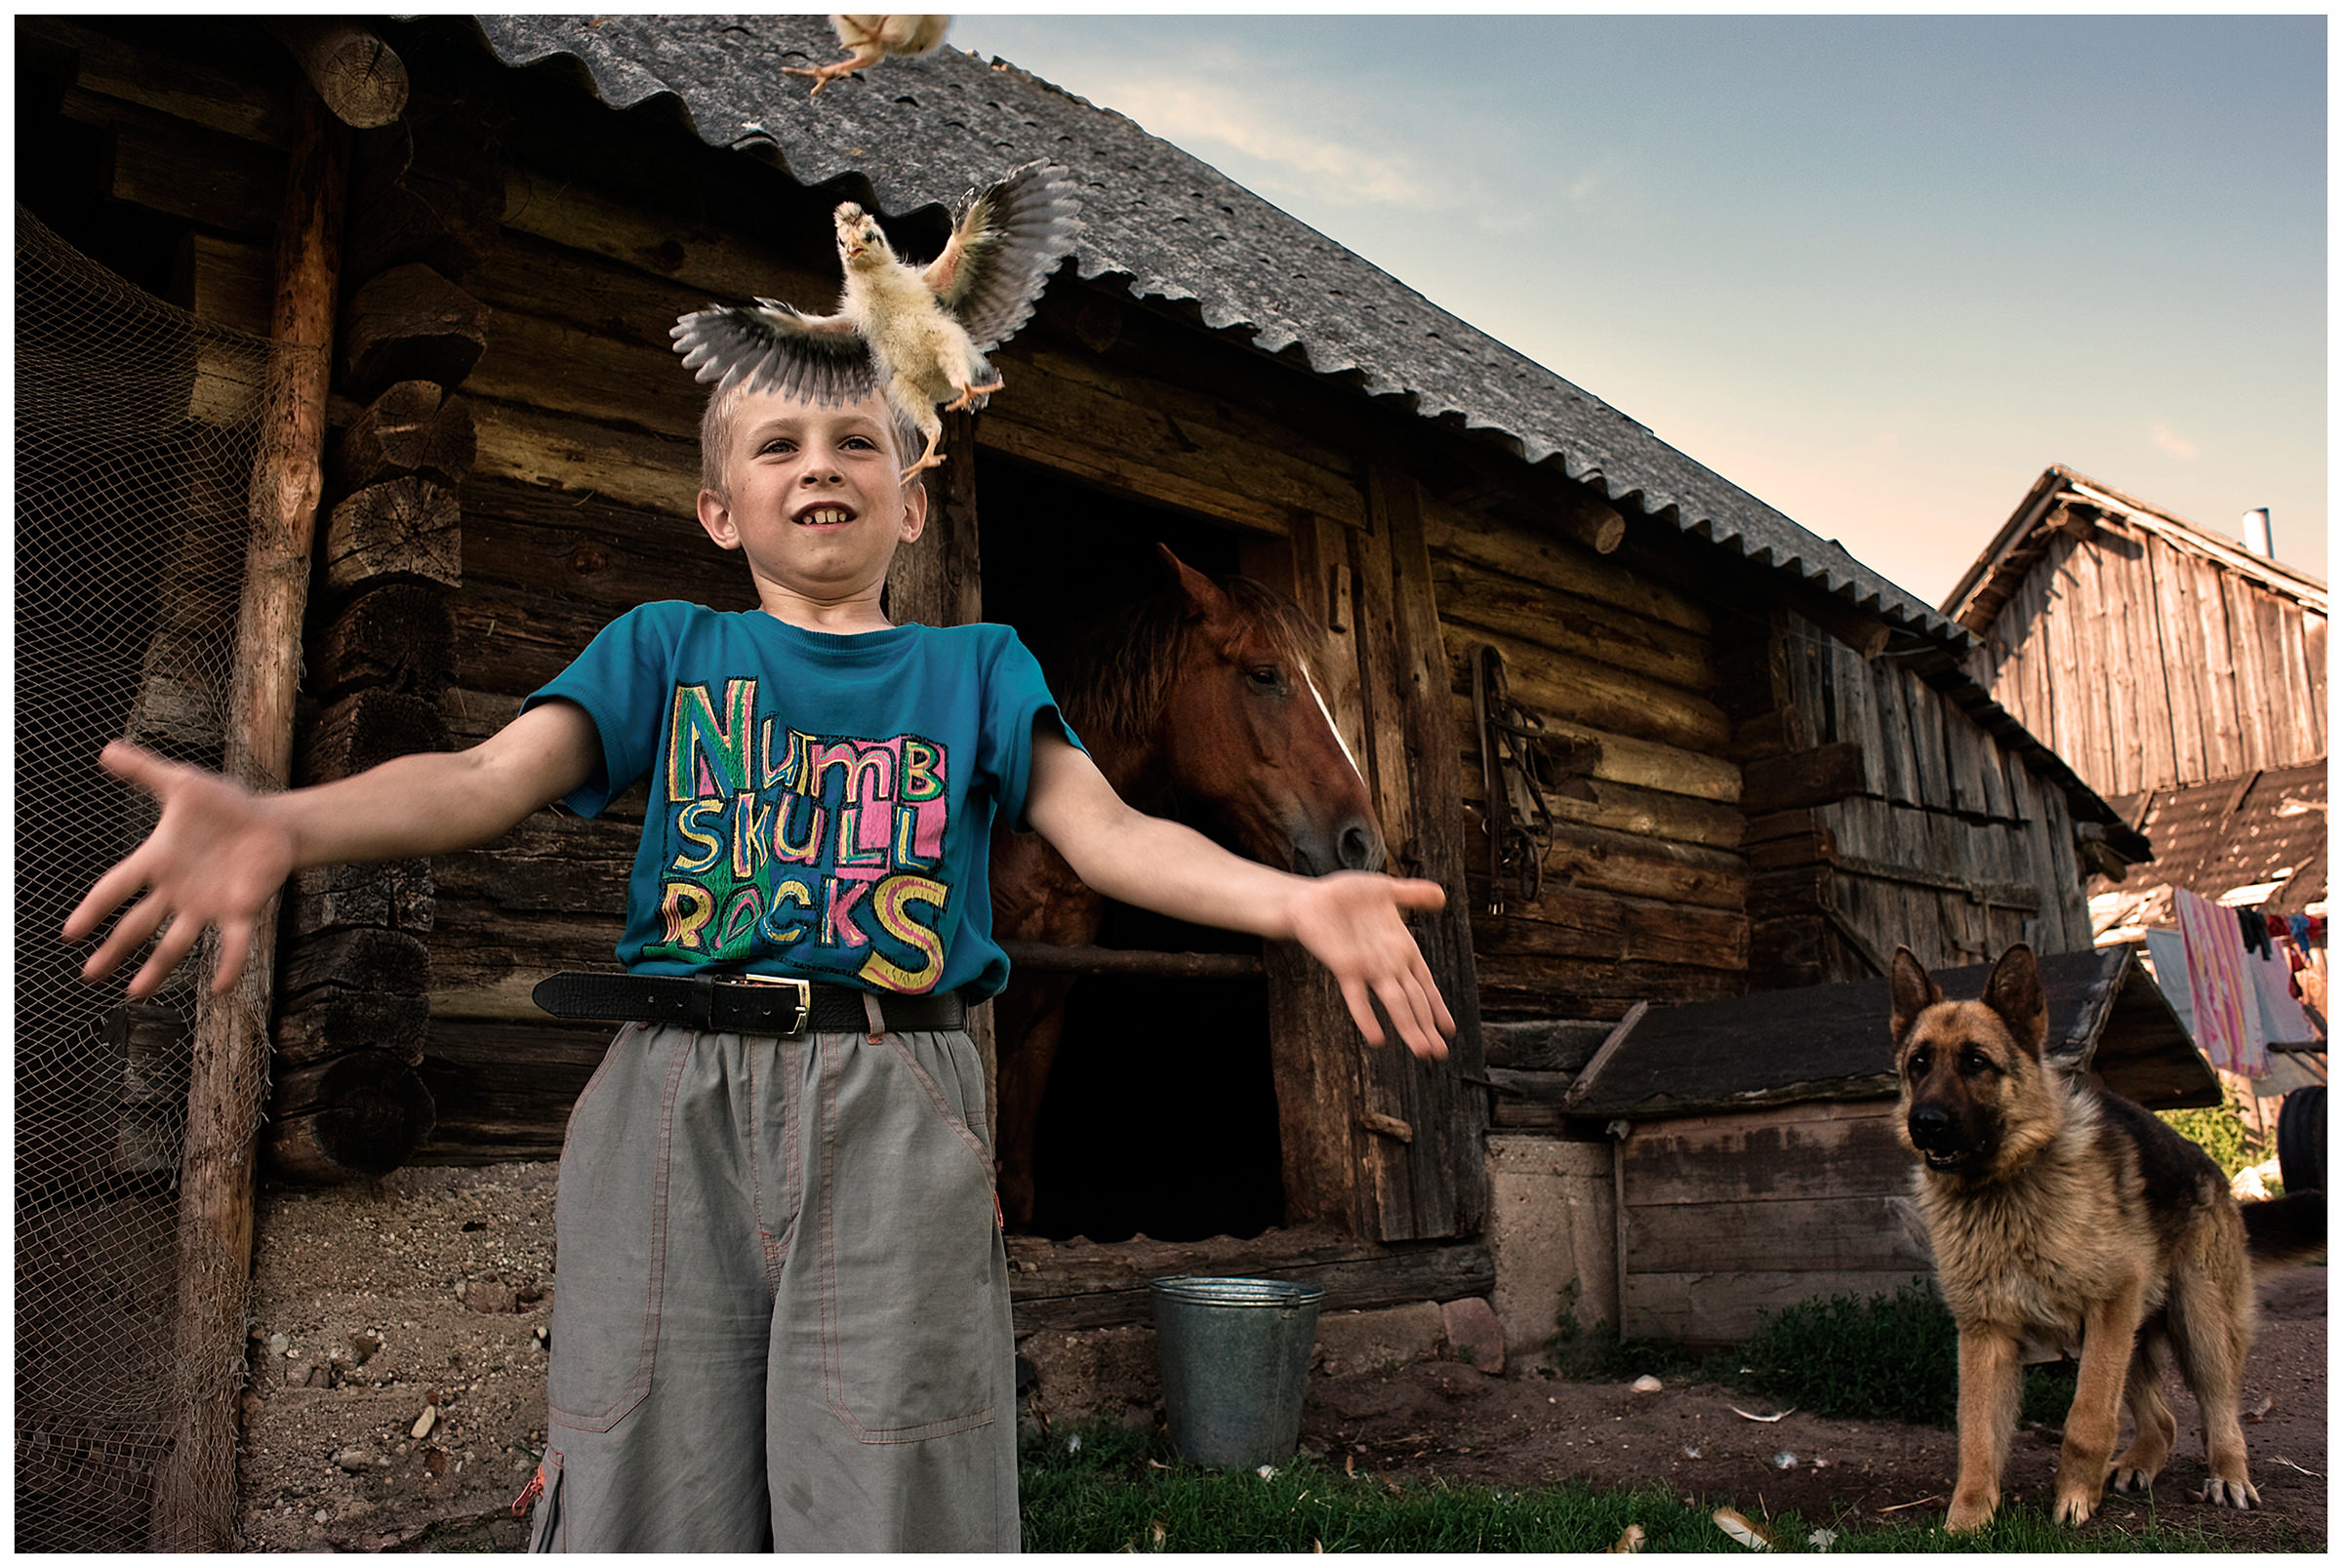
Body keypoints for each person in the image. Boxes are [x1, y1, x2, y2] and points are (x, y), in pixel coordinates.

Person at [65, 380, 1456, 1551]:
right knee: (644, 1475)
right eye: (777, 445)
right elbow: (484, 781)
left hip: (894, 1090)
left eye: (860, 443)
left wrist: (1291, 903)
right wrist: (281, 822)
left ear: (914, 504)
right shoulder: (668, 650)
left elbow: (1104, 831)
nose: (821, 466)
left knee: (895, 1472)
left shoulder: (979, 667)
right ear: (720, 511)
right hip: (672, 1100)